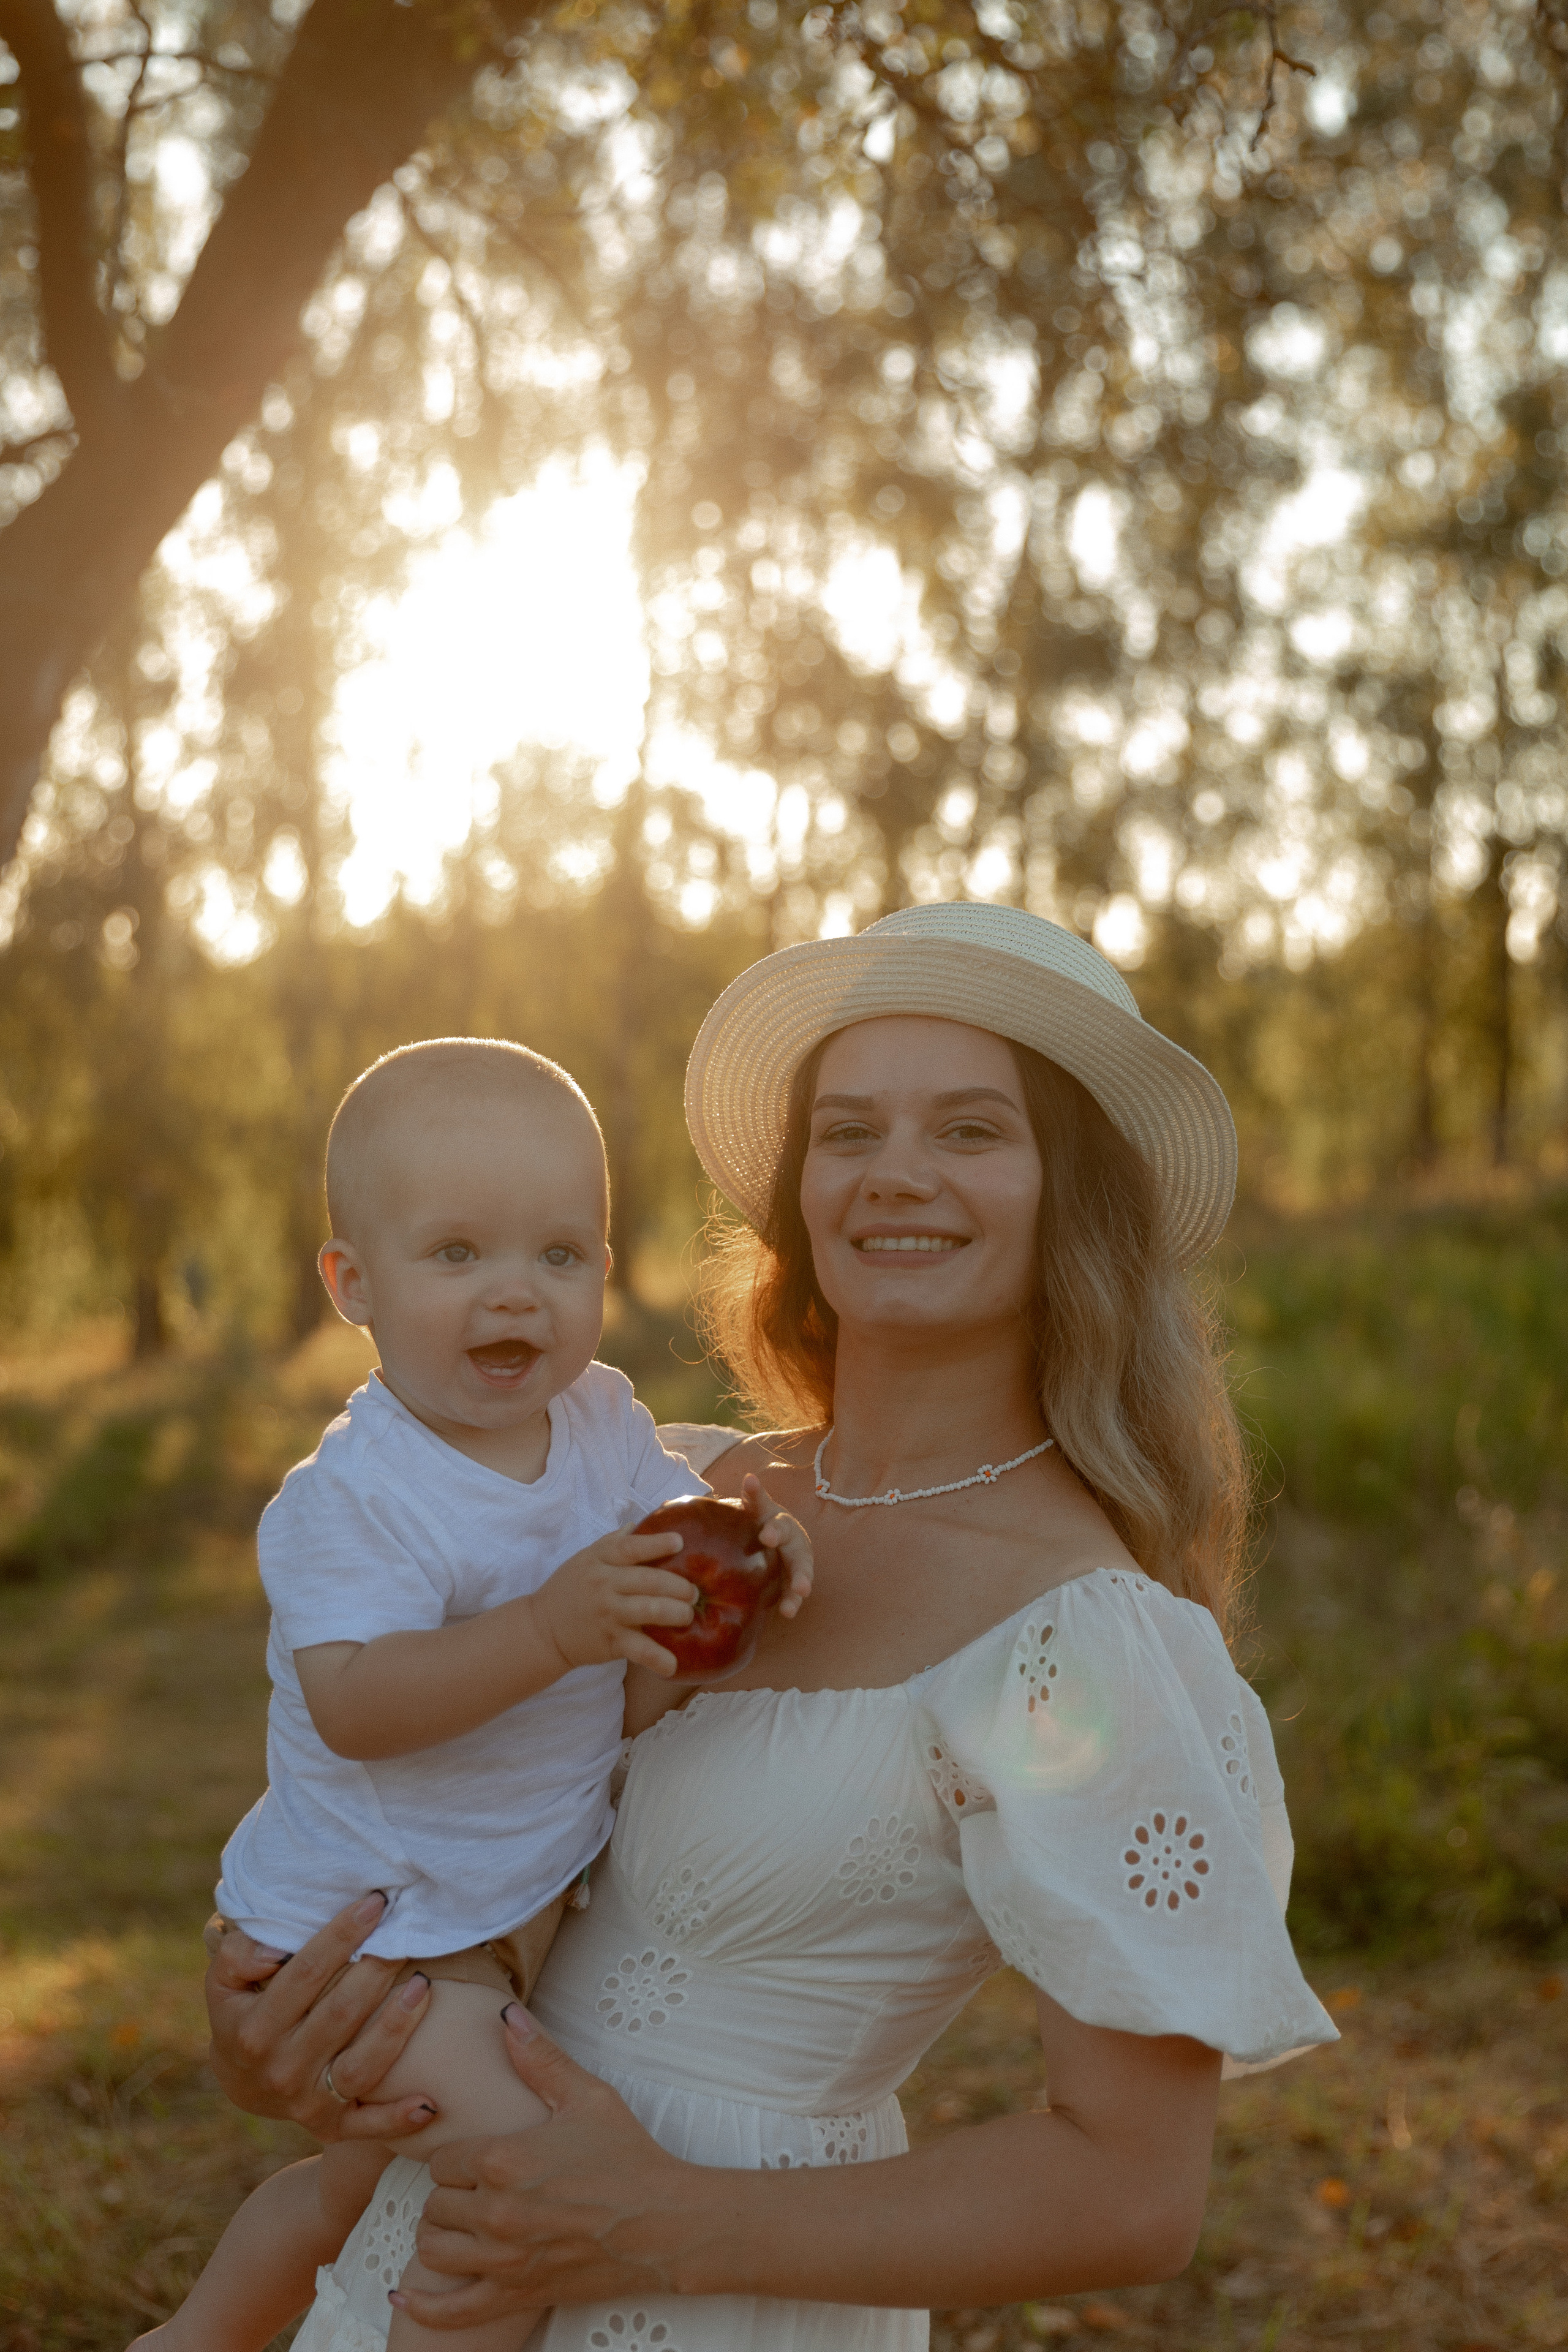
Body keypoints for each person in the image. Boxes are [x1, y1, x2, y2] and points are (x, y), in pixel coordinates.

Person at [203, 905, 1338, 2352]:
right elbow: (405, 1781)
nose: (895, 1176)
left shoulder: (1077, 1640)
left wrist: (659, 2217)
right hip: (429, 2251)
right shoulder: (661, 1492)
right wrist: (285, 2042)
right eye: (848, 1130)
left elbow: (1132, 2191)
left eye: (972, 1130)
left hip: (726, 2304)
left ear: (1077, 1197)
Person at [132, 1037, 811, 2352]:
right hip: (373, 1935)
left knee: (349, 2191)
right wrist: (551, 1630)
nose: (515, 1294)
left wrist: (746, 1538)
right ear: (353, 1283)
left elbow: (672, 1542)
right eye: (457, 1256)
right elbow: (358, 1702)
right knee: (520, 2188)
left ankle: (190, 2339)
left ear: (604, 1275)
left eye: (558, 1256)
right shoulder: (354, 1499)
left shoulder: (606, 1425)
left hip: (496, 1913)